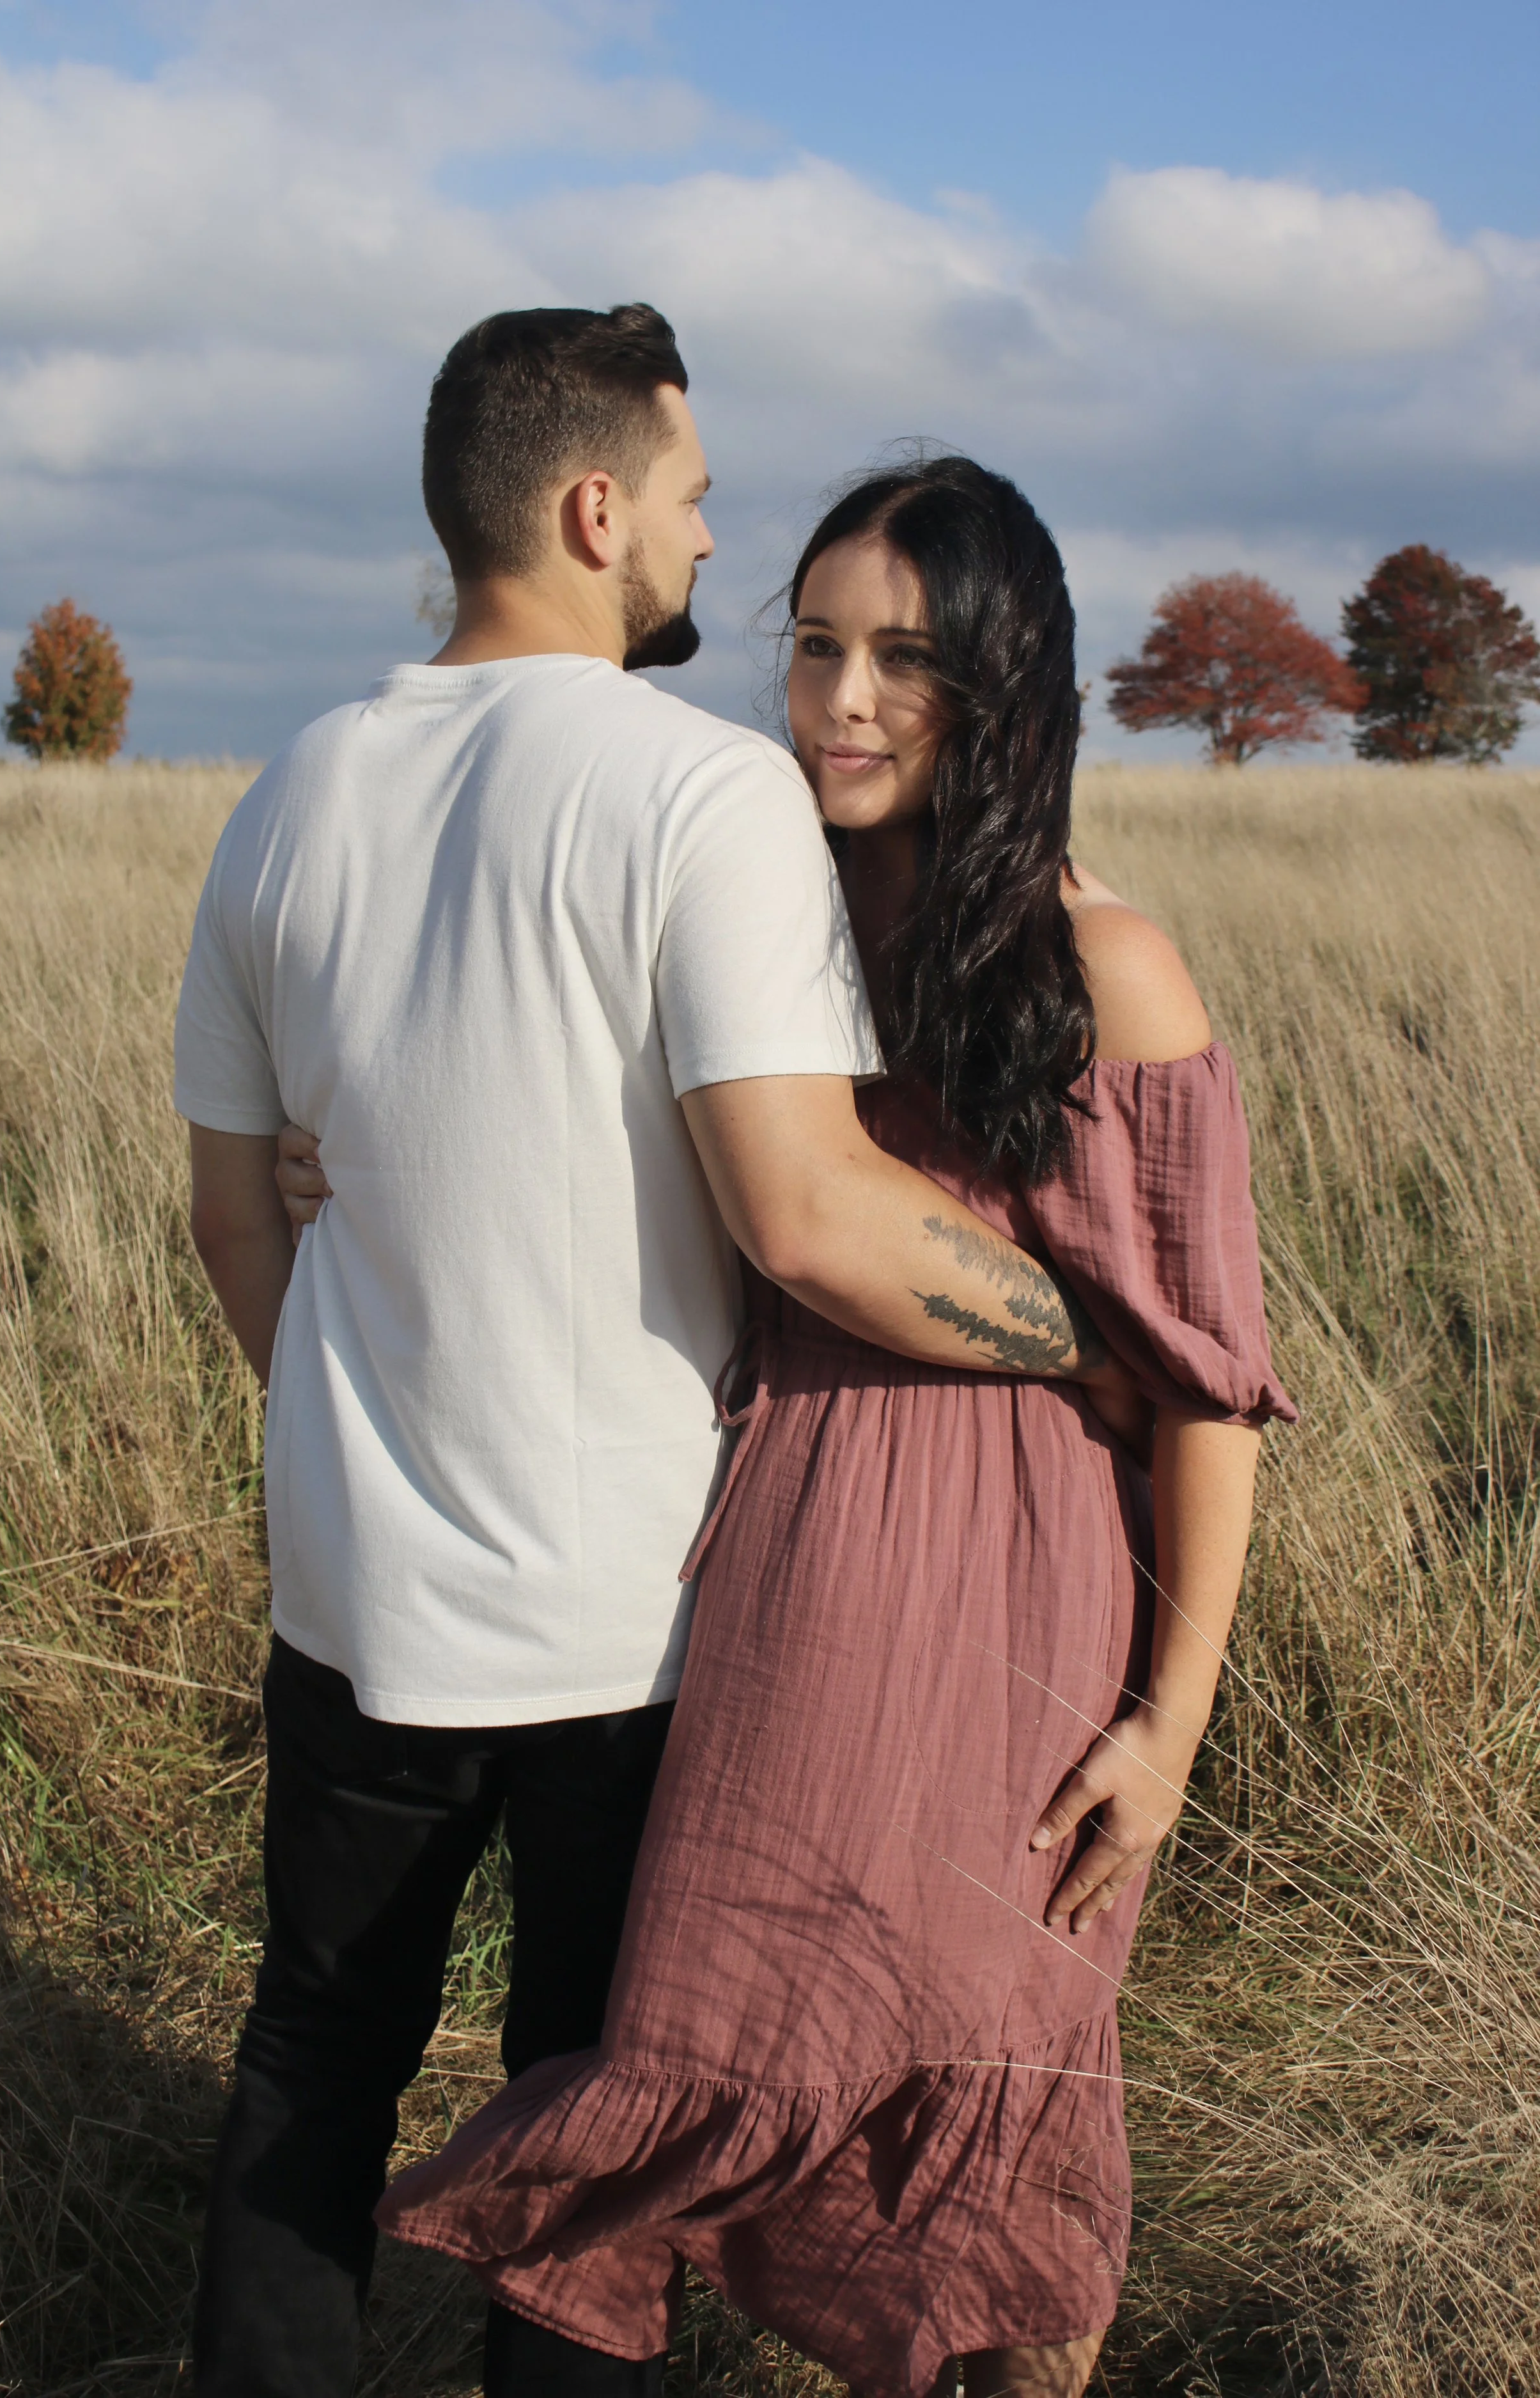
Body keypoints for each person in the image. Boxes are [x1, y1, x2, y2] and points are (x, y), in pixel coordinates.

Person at [175, 313, 1133, 2398]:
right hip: (639, 1621)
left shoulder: (288, 792)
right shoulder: (701, 789)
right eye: (696, 503)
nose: (711, 540)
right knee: (601, 2121)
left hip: (350, 1600)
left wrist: (352, 1432)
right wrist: (1095, 1341)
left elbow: (237, 1205)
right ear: (597, 511)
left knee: (311, 2064)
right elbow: (805, 1211)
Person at [328, 458, 1298, 2398]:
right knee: (726, 2023)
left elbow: (1206, 1383)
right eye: (819, 647)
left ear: (1003, 690)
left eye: (906, 663)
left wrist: (1167, 1722)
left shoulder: (1106, 966)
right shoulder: (746, 898)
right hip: (779, 1555)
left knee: (1002, 2066)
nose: (843, 701)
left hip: (1016, 1596)